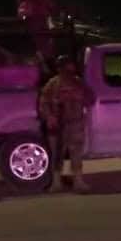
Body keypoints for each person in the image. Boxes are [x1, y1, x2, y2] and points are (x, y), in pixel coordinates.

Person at [39, 55, 95, 192]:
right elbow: (43, 102)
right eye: (65, 66)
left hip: (75, 123)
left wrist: (79, 97)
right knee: (57, 154)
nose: (69, 69)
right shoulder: (53, 84)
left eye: (70, 66)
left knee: (76, 154)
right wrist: (50, 117)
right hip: (58, 125)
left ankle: (78, 181)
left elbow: (91, 98)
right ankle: (56, 183)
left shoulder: (79, 83)